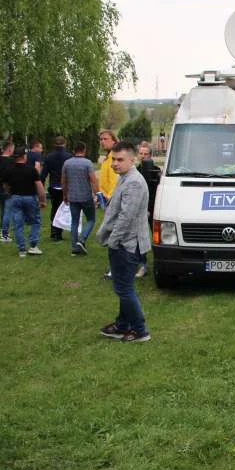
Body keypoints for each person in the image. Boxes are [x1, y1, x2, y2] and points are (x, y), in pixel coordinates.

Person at [97, 141, 152, 343]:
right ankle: (122, 325)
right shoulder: (125, 177)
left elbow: (125, 218)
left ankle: (140, 330)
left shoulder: (134, 182)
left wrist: (113, 241)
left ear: (132, 159)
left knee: (124, 289)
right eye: (113, 159)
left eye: (120, 160)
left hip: (128, 244)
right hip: (123, 243)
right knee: (123, 286)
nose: (115, 164)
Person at [5, 146, 46, 258]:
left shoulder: (9, 170)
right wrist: (42, 200)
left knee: (18, 224)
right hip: (30, 198)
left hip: (15, 197)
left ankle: (21, 249)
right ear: (24, 156)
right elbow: (40, 187)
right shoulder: (31, 170)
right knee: (35, 221)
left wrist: (10, 194)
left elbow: (6, 185)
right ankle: (33, 245)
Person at [61, 141, 99, 256]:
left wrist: (65, 194)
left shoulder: (67, 163)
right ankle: (81, 240)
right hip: (86, 196)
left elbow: (63, 181)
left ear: (74, 150)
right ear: (84, 150)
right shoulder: (87, 163)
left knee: (74, 222)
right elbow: (93, 180)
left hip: (72, 197)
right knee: (91, 219)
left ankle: (74, 248)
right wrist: (97, 194)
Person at [135, 142, 161, 278]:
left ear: (150, 156)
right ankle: (142, 265)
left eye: (146, 154)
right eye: (141, 153)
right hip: (139, 210)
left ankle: (160, 264)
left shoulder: (156, 171)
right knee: (139, 238)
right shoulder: (136, 171)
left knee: (158, 238)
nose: (143, 156)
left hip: (153, 208)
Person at [40, 136, 72, 242]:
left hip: (53, 186)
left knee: (54, 208)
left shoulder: (49, 157)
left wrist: (42, 187)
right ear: (65, 144)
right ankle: (59, 232)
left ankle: (54, 232)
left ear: (54, 144)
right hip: (65, 187)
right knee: (63, 209)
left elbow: (43, 174)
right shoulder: (69, 157)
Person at [98, 130, 119, 279]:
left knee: (115, 236)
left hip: (112, 202)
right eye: (101, 139)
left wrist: (109, 201)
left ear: (113, 140)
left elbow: (115, 183)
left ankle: (115, 269)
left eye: (105, 139)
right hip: (106, 201)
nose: (102, 141)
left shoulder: (115, 159)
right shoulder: (108, 157)